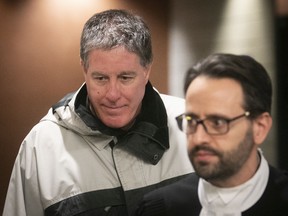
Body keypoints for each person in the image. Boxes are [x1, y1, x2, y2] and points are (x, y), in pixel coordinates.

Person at [2, 9, 193, 216]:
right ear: (84, 69)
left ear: (146, 70)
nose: (112, 94)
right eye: (100, 78)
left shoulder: (191, 125)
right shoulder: (40, 147)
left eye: (125, 78)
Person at [134, 53, 288, 216]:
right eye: (192, 120)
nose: (199, 138)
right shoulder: (160, 208)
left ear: (260, 127)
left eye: (218, 122)